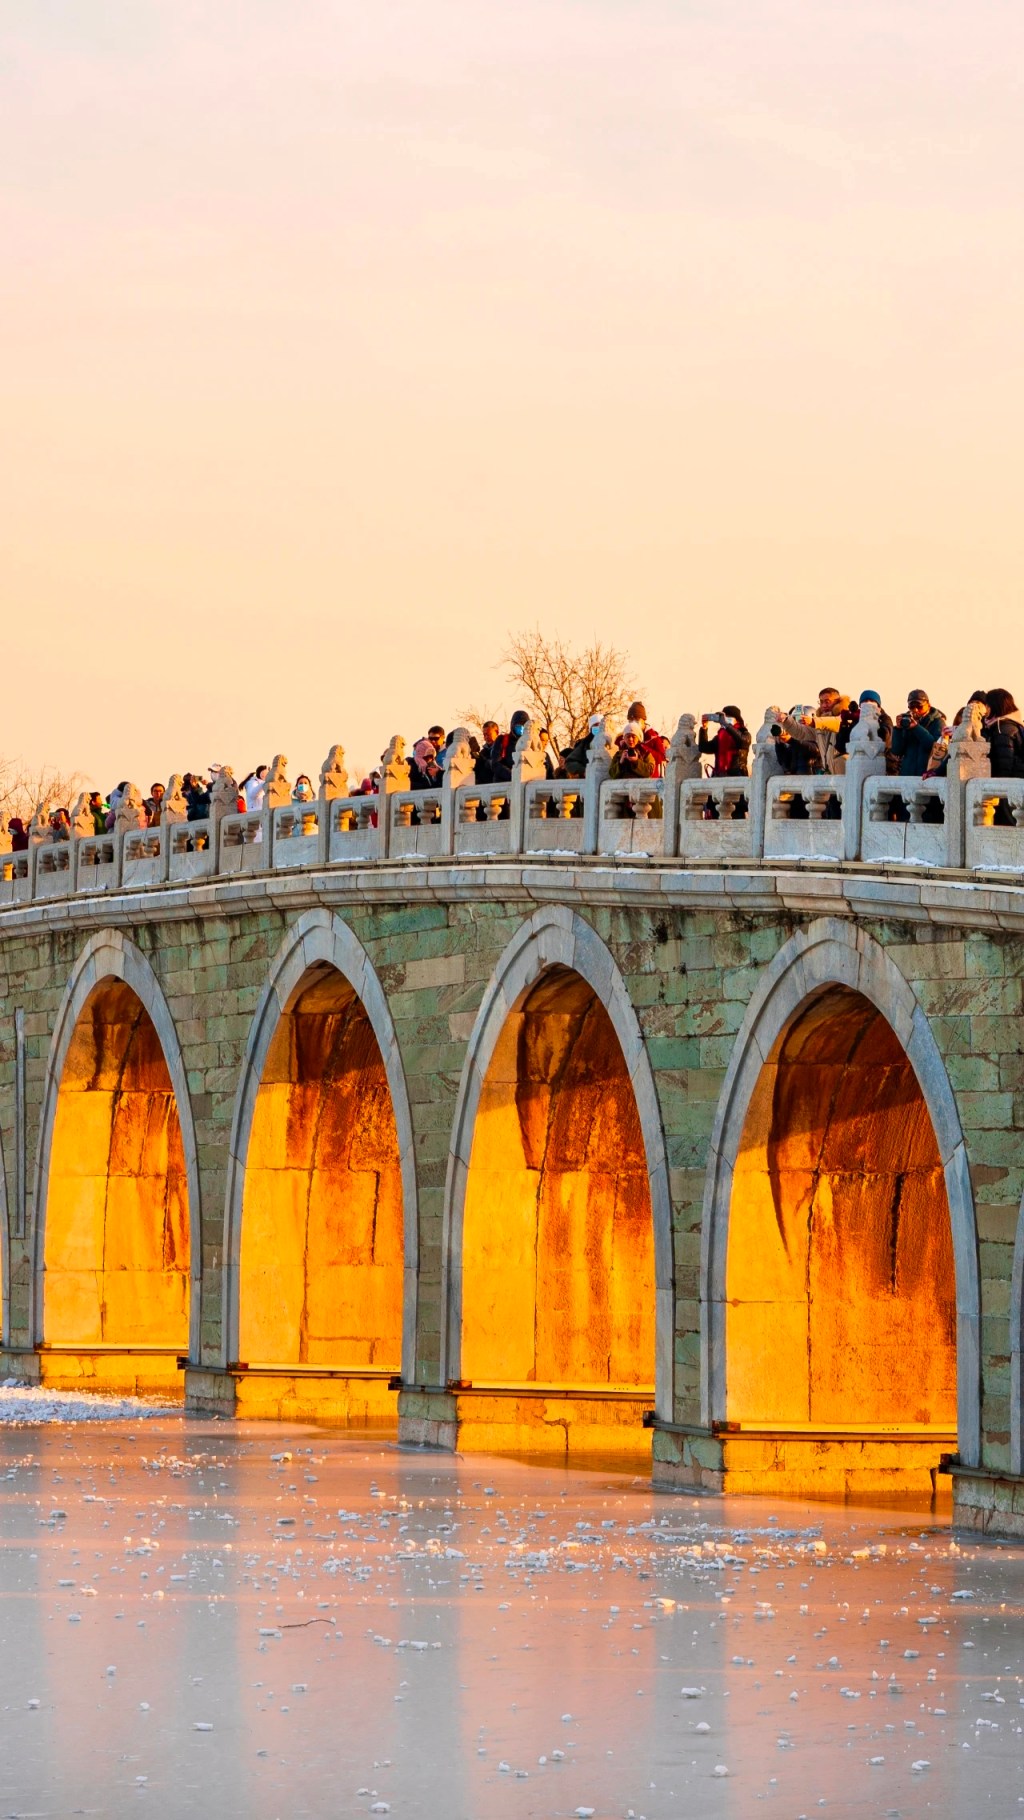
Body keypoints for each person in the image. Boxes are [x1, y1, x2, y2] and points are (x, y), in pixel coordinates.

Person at [781, 687, 850, 775]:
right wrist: (786, 720)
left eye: (827, 702)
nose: (824, 705)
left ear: (837, 701)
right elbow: (801, 732)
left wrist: (814, 721)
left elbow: (835, 722)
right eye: (821, 702)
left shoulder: (845, 717)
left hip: (844, 767)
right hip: (829, 771)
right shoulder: (820, 723)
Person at [835, 690, 897, 773]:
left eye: (871, 701)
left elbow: (885, 740)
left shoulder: (884, 719)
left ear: (878, 706)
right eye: (864, 701)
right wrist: (844, 724)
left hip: (884, 766)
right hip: (861, 766)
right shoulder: (858, 721)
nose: (868, 703)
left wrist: (871, 724)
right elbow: (841, 746)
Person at [890, 690, 945, 777]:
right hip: (907, 775)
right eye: (912, 707)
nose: (915, 710)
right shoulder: (906, 721)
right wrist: (898, 729)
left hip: (927, 776)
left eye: (919, 706)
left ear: (928, 705)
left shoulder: (938, 722)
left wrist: (916, 728)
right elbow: (897, 750)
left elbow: (934, 747)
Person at [618, 700, 669, 776]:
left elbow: (662, 758)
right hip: (631, 777)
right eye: (631, 720)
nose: (633, 722)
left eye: (637, 719)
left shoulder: (653, 738)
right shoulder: (625, 738)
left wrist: (642, 747)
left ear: (643, 720)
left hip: (650, 779)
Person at [983, 688, 1024, 777]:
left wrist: (997, 787)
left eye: (987, 704)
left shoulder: (1003, 729)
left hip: (1009, 784)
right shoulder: (1008, 725)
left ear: (994, 706)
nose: (985, 708)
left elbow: (1004, 764)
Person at [698, 706, 750, 776]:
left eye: (728, 717)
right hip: (720, 776)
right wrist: (704, 728)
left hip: (737, 775)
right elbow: (703, 748)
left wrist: (726, 725)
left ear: (737, 720)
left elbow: (742, 742)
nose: (725, 720)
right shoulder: (720, 737)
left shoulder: (744, 733)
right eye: (724, 718)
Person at [487, 710, 530, 784]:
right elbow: (495, 763)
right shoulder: (502, 740)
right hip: (503, 785)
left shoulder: (529, 743)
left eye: (523, 726)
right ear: (512, 725)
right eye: (518, 726)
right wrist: (512, 775)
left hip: (524, 783)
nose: (521, 729)